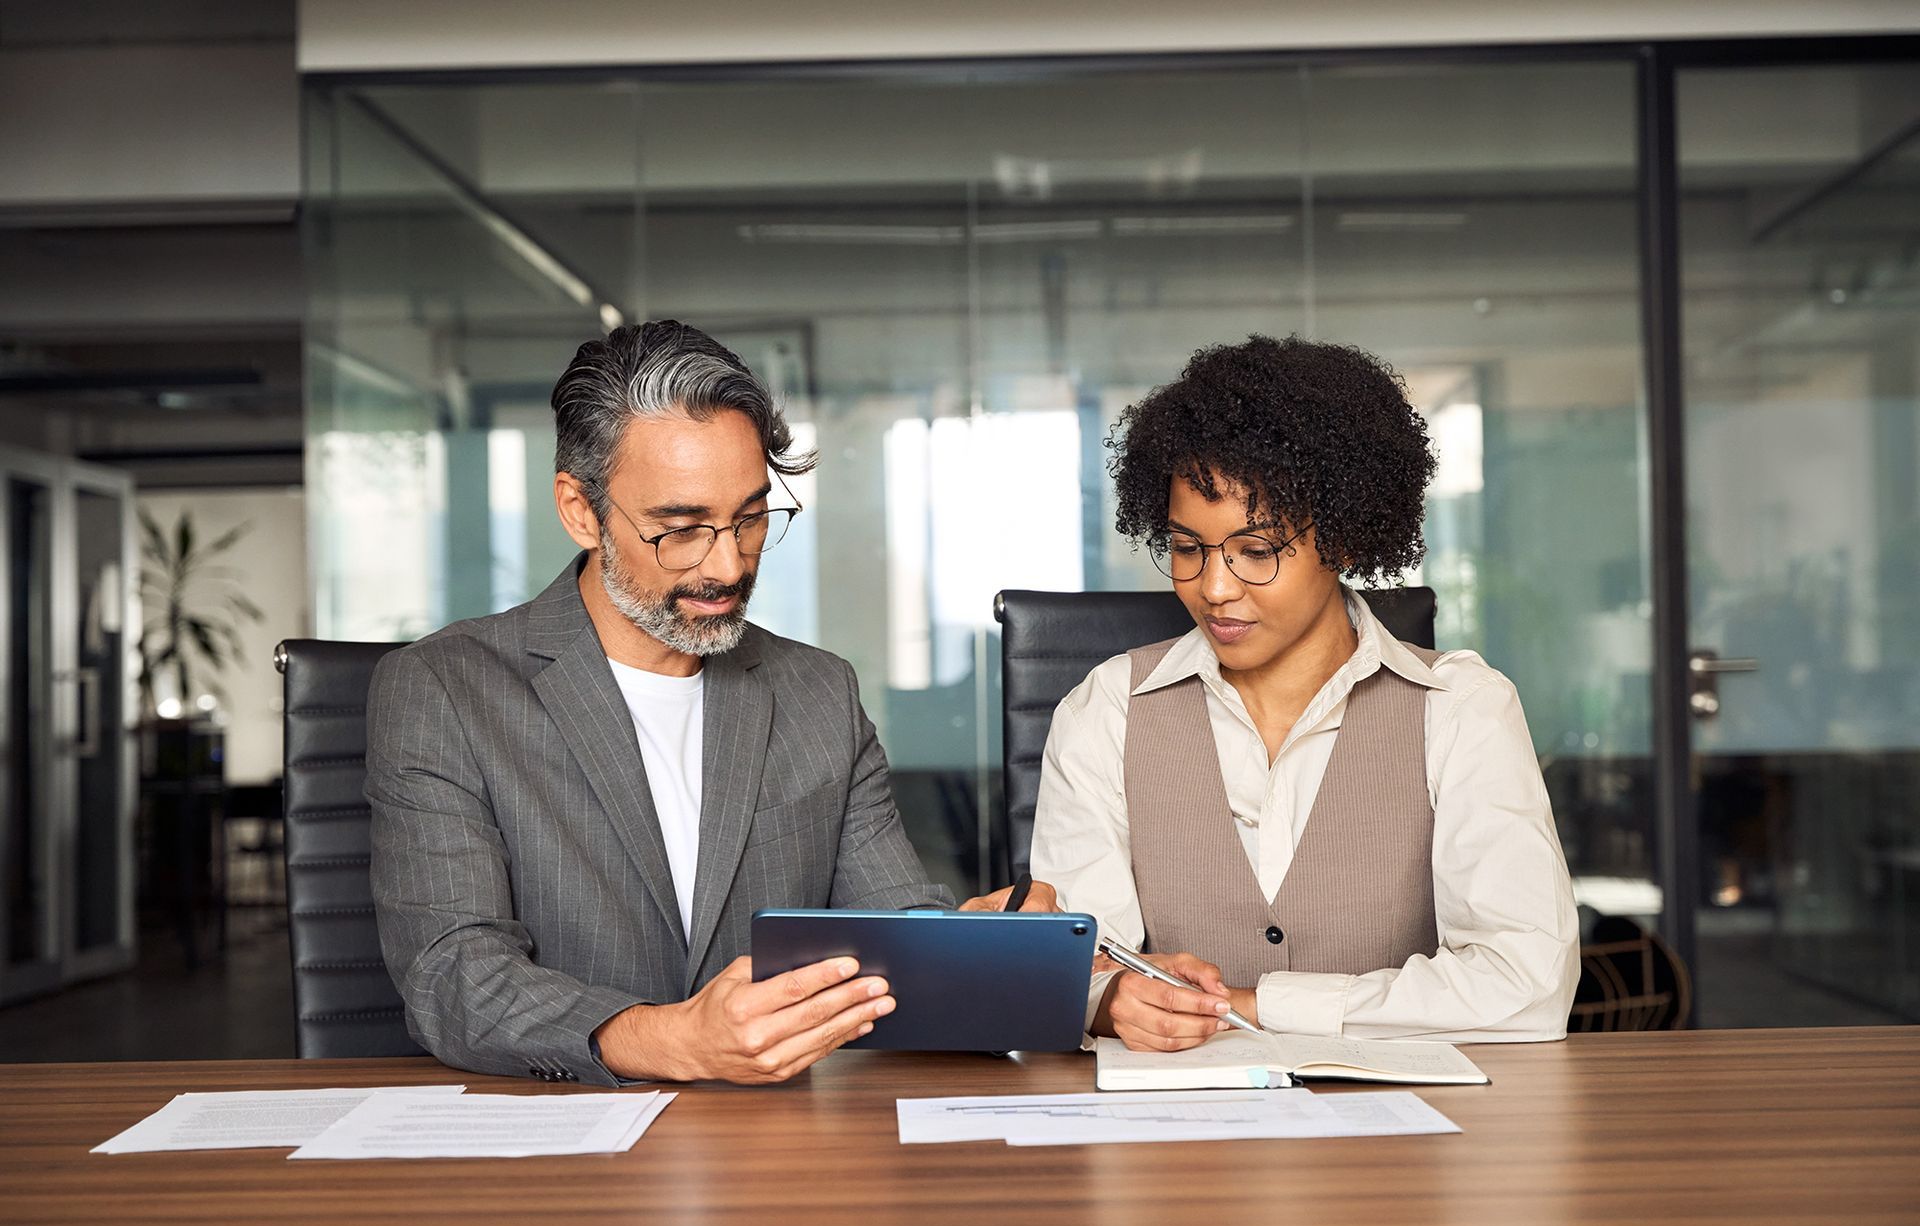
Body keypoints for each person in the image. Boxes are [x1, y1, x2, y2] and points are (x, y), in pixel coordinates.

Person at [366, 320, 1049, 1087]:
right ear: (580, 511)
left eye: (752, 517)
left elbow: (892, 936)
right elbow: (455, 976)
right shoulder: (446, 690)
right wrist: (671, 1039)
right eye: (680, 529)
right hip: (556, 1154)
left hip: (773, 1153)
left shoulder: (817, 692)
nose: (726, 564)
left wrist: (986, 954)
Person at [1031, 335, 1578, 1051]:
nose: (1215, 587)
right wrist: (1108, 1000)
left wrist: (1257, 1005)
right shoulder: (1107, 709)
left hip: (1413, 1142)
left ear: (1346, 538)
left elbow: (1526, 986)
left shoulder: (1461, 709)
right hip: (1176, 1143)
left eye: (1257, 551)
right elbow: (1084, 966)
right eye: (1189, 548)